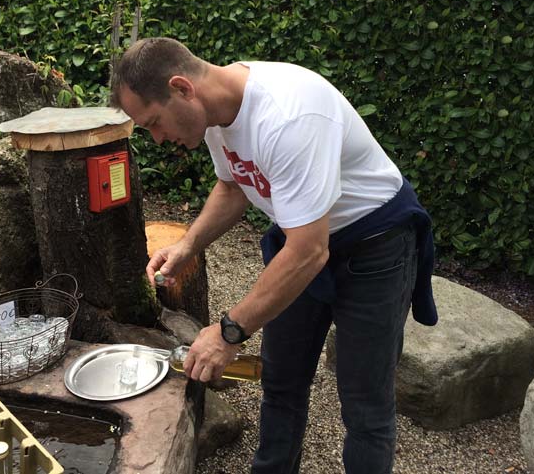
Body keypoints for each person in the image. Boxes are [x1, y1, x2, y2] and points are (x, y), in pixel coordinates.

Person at [109, 37, 437, 474]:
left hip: (375, 245)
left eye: (154, 123)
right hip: (305, 241)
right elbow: (233, 186)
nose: (157, 138)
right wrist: (189, 245)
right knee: (280, 383)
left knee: (365, 405)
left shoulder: (288, 116)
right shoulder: (215, 117)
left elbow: (308, 251)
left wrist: (228, 331)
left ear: (182, 88)